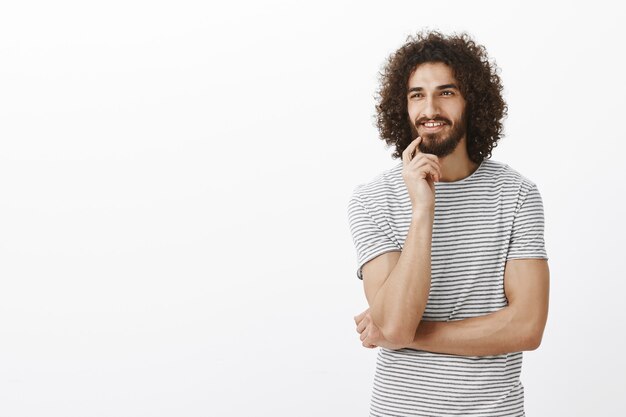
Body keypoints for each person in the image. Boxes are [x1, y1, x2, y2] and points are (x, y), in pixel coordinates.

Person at [347, 30, 550, 417]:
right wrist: (423, 210)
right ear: (401, 107)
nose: (430, 109)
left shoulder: (517, 195)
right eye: (417, 95)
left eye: (446, 92)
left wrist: (405, 335)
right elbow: (392, 321)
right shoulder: (374, 199)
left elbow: (526, 327)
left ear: (471, 101)